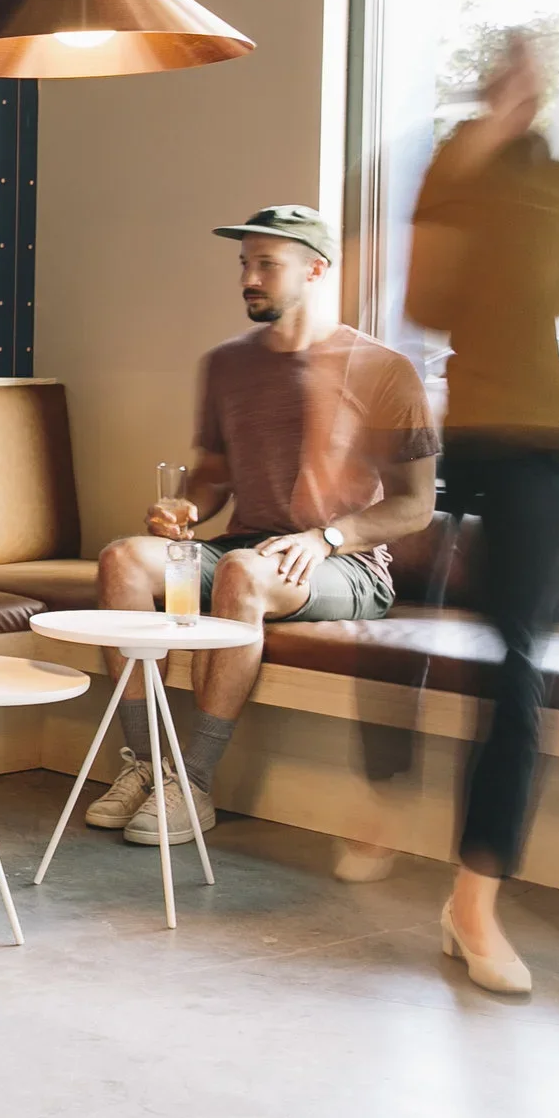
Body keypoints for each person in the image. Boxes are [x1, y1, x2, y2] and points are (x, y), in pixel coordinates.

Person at [89, 206, 439, 848]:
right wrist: (185, 509)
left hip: (346, 564)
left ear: (315, 269)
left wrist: (326, 537)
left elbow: (415, 506)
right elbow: (214, 477)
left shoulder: (384, 369)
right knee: (121, 559)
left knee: (245, 574)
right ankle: (145, 766)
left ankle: (193, 783)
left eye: (266, 265)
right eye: (245, 264)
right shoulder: (227, 365)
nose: (249, 278)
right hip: (245, 547)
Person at [404, 32, 559, 995]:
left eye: (531, 78)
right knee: (396, 638)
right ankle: (382, 799)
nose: (519, 88)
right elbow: (428, 301)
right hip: (466, 440)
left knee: (521, 669)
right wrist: (478, 153)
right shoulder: (455, 170)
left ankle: (473, 902)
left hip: (540, 451)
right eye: (503, 77)